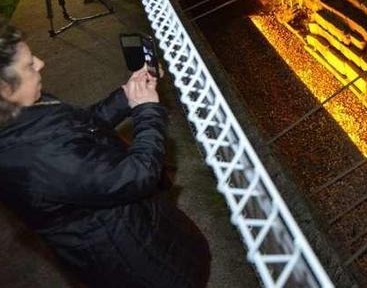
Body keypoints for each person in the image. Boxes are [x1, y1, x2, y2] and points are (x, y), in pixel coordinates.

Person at [0, 19, 211, 288]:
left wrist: (126, 96)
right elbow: (138, 174)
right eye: (29, 65)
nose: (40, 63)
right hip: (126, 254)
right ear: (4, 89)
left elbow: (78, 128)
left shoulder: (18, 112)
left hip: (132, 223)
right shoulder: (34, 159)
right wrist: (146, 110)